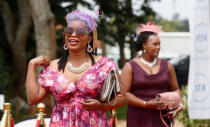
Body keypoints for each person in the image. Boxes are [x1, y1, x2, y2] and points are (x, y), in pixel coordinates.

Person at [26, 10, 126, 127]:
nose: (73, 35)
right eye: (69, 31)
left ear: (89, 39)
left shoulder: (104, 65)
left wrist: (100, 105)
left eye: (79, 32)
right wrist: (31, 65)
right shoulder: (53, 67)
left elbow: (122, 98)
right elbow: (33, 99)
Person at [121, 22, 184, 127]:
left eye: (159, 44)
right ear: (144, 45)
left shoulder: (167, 66)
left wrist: (179, 104)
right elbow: (123, 94)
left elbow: (175, 90)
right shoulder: (130, 66)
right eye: (155, 44)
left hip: (161, 117)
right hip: (138, 116)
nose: (158, 47)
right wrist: (145, 104)